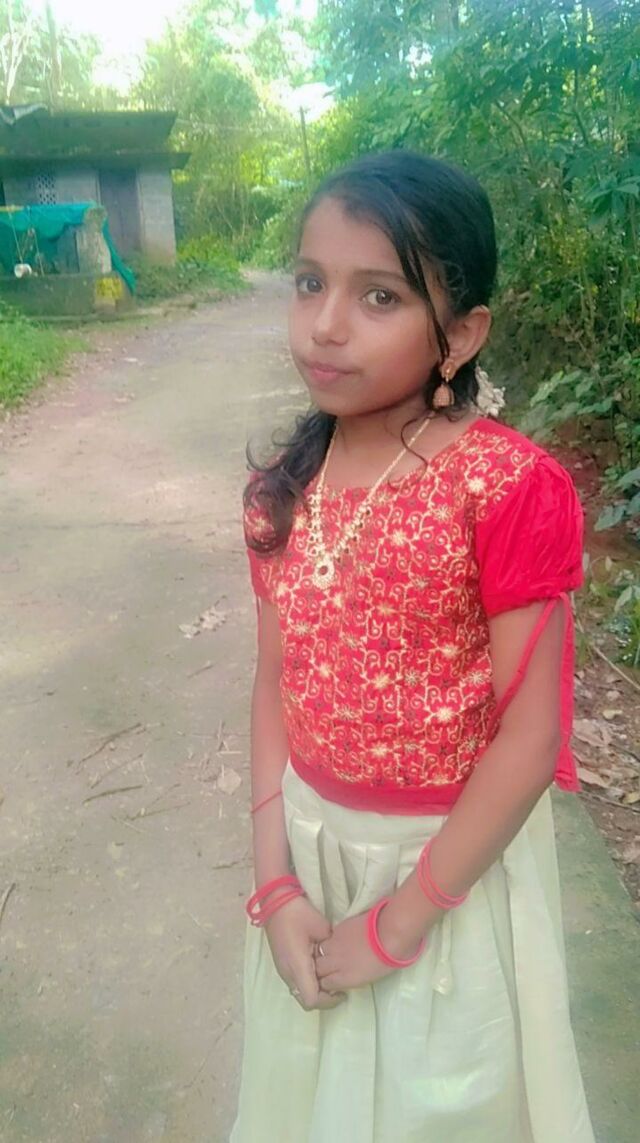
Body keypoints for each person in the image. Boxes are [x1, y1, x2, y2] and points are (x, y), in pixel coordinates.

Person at [232, 150, 595, 1142]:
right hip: (310, 860)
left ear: (460, 334)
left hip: (445, 881)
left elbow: (531, 738)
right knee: (315, 1101)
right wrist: (274, 883)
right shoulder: (282, 490)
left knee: (441, 1104)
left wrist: (398, 924)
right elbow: (273, 685)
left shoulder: (506, 490)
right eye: (309, 282)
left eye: (379, 296)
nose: (325, 324)